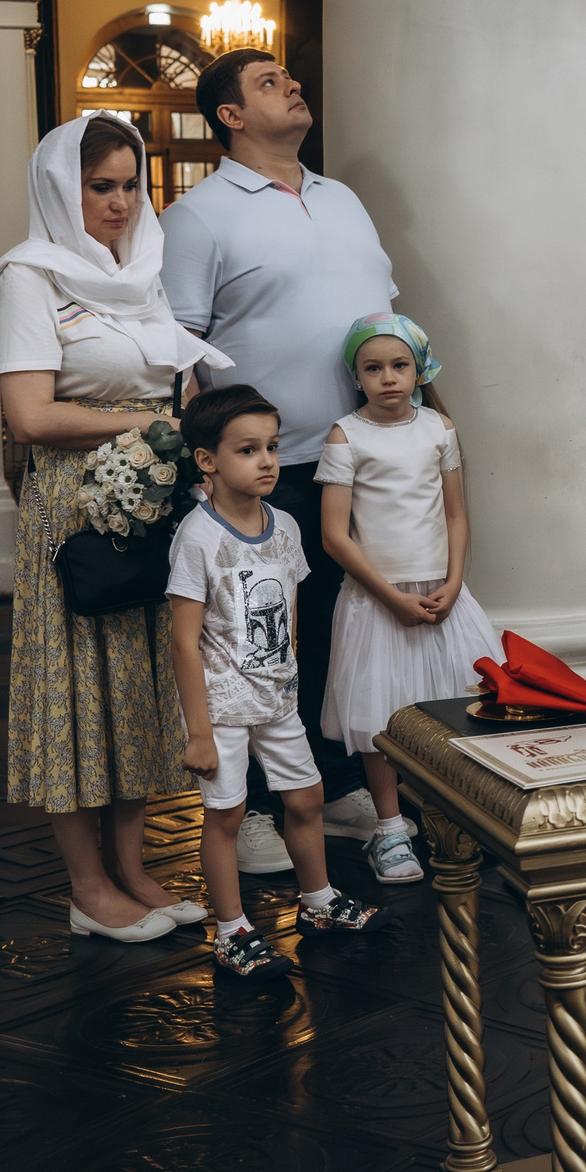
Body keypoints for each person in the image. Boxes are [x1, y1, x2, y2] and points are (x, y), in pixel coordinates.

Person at [0, 113, 232, 942]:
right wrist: (146, 416)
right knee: (75, 689)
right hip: (71, 501)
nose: (121, 203)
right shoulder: (29, 277)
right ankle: (87, 888)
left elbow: (174, 385)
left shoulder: (145, 271)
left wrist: (183, 421)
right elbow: (27, 414)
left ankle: (132, 867)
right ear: (64, 189)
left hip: (149, 489)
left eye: (132, 184)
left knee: (136, 682)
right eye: (102, 187)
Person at [161, 48, 394, 873]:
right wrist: (209, 467)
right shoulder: (200, 214)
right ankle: (249, 805)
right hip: (265, 466)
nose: (293, 85)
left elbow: (383, 320)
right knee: (251, 642)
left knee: (338, 628)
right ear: (229, 114)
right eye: (268, 82)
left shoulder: (343, 198)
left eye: (291, 78)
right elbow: (179, 348)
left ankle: (326, 789)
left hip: (361, 455)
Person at [171, 385, 387, 978]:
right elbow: (183, 639)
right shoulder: (199, 538)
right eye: (247, 450)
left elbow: (288, 613)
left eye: (271, 446)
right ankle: (232, 929)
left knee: (307, 797)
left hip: (277, 697)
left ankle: (318, 901)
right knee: (227, 814)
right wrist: (198, 731)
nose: (267, 460)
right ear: (208, 461)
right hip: (223, 705)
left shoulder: (285, 525)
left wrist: (287, 678)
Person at [316, 313, 502, 883]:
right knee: (380, 713)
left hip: (442, 592)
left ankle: (455, 813)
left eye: (400, 366)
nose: (389, 378)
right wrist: (390, 597)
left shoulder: (439, 429)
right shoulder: (346, 435)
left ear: (420, 369)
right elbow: (333, 535)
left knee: (455, 702)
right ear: (357, 375)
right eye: (374, 368)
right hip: (378, 599)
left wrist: (453, 580)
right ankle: (390, 827)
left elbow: (455, 513)